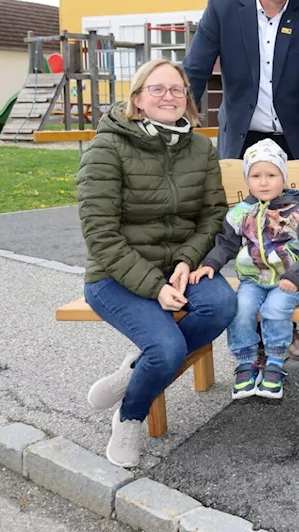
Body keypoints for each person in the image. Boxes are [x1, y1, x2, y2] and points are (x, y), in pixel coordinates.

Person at [184, 0, 299, 362]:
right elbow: (194, 71)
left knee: (290, 235)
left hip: (295, 141)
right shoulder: (222, 9)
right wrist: (177, 124)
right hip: (243, 138)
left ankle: (284, 325)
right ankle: (247, 326)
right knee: (243, 232)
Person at [78, 59, 237, 468]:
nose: (169, 96)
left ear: (188, 99)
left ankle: (135, 370)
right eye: (158, 89)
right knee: (166, 349)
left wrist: (187, 259)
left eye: (177, 89)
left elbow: (214, 215)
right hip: (114, 274)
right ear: (137, 99)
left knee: (222, 305)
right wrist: (153, 286)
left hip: (178, 268)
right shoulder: (107, 147)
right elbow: (100, 235)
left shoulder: (200, 147)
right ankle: (130, 414)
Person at [191, 139, 299, 403]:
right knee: (240, 309)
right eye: (256, 176)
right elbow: (226, 244)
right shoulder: (241, 213)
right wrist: (209, 264)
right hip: (253, 281)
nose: (264, 182)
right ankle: (246, 363)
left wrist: (296, 277)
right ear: (247, 179)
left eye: (271, 175)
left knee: (275, 309)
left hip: (289, 282)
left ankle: (275, 362)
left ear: (283, 177)